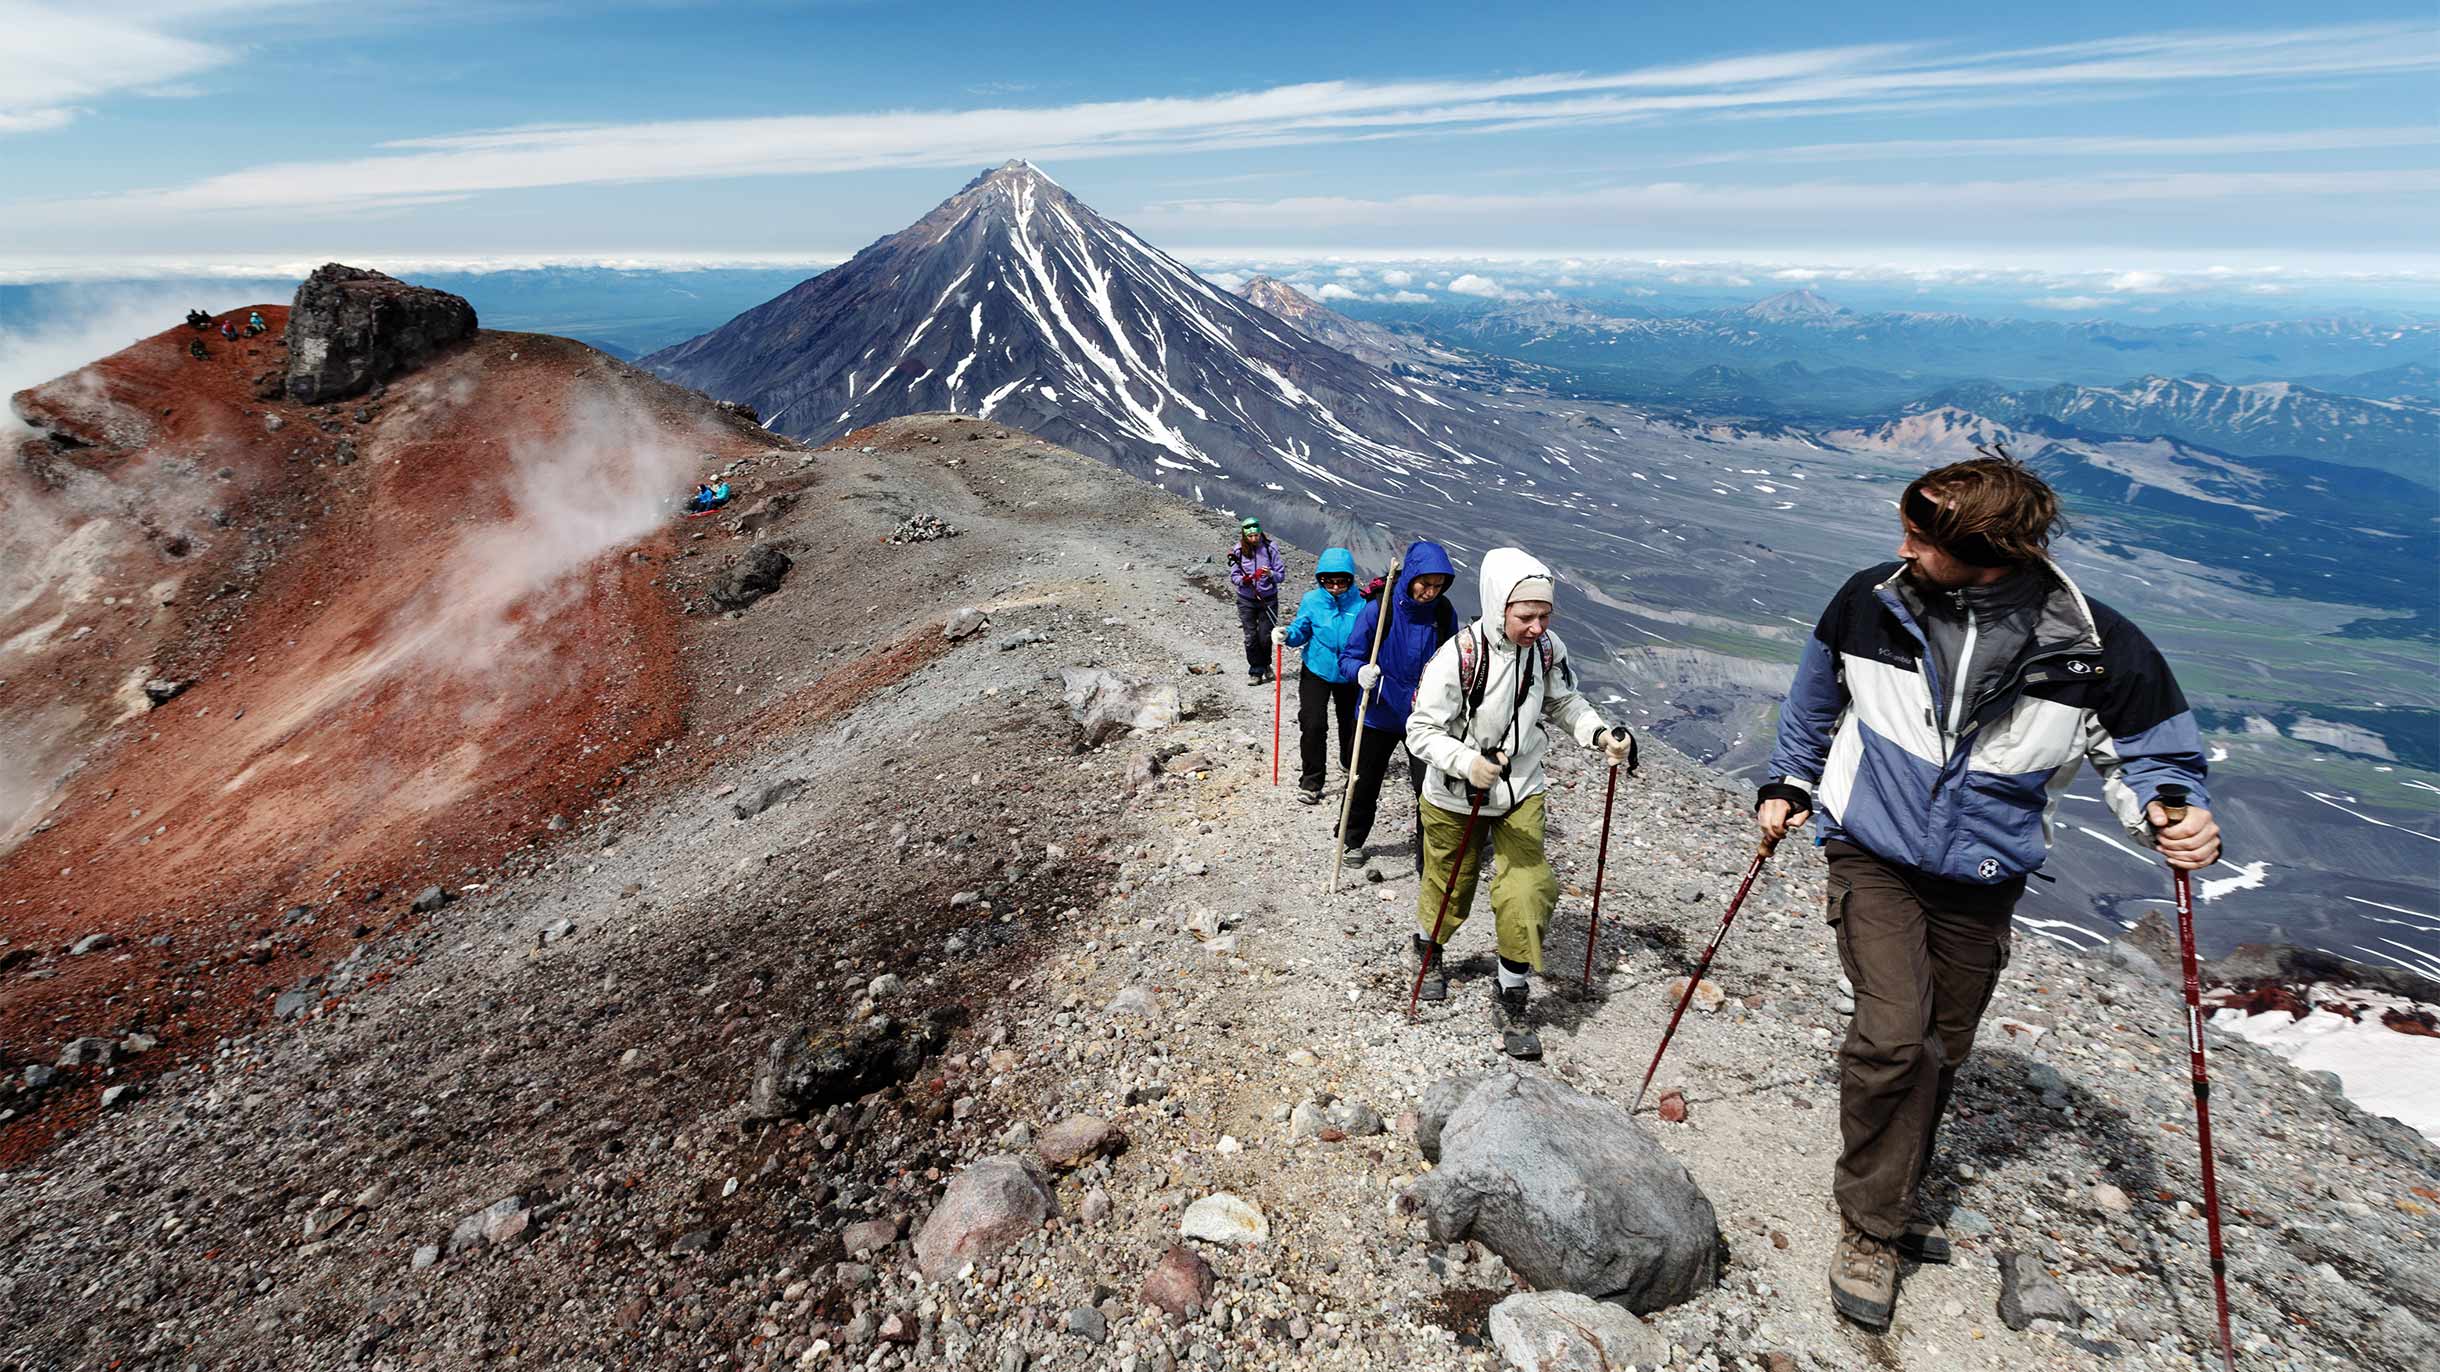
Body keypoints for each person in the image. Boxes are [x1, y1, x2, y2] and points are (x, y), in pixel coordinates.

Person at [1755, 455, 2218, 1332]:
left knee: (1942, 1048)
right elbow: (1816, 701)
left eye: (1921, 536)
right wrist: (1788, 781)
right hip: (1873, 851)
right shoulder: (1871, 601)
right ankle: (1871, 1224)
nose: (1902, 546)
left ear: (1986, 550)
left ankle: (1890, 1192)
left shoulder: (2093, 646)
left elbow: (2151, 755)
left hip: (1983, 875)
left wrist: (2175, 814)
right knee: (1894, 1036)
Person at [1405, 547, 1635, 1059]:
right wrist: (1468, 763)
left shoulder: (1548, 650)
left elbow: (1562, 700)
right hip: (1454, 793)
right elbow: (1419, 730)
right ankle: (1430, 949)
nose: (1536, 626)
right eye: (1525, 615)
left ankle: (1512, 985)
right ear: (1497, 606)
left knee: (1528, 884)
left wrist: (1598, 734)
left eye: (1545, 615)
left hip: (1520, 788)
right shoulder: (1457, 656)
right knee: (1450, 882)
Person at [1336, 540, 1459, 872]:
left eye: (1438, 586)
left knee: (1429, 789)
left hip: (1424, 717)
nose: (1431, 592)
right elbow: (1348, 658)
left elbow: (1453, 662)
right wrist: (1360, 672)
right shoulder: (1382, 608)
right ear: (1411, 577)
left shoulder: (1444, 614)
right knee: (1363, 780)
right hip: (1378, 712)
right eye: (1425, 583)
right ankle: (1351, 841)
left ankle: (1428, 858)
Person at [1272, 548, 1365, 805]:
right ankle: (1311, 781)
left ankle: (1349, 762)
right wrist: (1288, 635)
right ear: (1320, 578)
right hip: (1317, 669)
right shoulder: (1312, 600)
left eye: (1342, 581)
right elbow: (1302, 628)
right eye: (1329, 580)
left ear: (1350, 579)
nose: (1335, 586)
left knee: (1351, 724)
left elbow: (1369, 638)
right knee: (1313, 723)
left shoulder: (1364, 604)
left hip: (1350, 673)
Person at [1227, 516, 1286, 684]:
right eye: (1250, 536)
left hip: (1267, 599)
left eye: (1256, 535)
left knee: (1264, 636)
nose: (1254, 539)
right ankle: (1256, 671)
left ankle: (1265, 664)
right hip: (1246, 599)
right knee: (1250, 637)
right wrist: (1243, 580)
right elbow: (1234, 575)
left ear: (1260, 533)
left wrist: (1270, 574)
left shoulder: (1270, 548)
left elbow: (1281, 575)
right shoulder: (1238, 551)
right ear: (1244, 536)